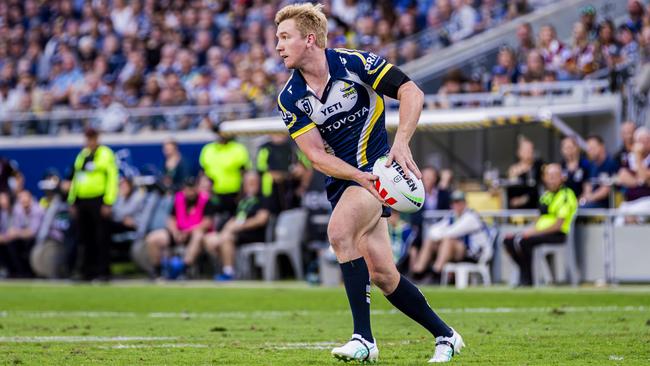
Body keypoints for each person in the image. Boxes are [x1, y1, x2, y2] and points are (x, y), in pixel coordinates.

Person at [275, 3, 463, 363]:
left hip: (379, 172)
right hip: (350, 180)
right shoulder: (289, 97)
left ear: (310, 39)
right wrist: (357, 177)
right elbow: (315, 156)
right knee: (383, 275)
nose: (278, 46)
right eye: (277, 39)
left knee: (339, 233)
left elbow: (411, 91)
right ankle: (446, 335)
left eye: (285, 37)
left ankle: (364, 340)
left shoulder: (356, 64)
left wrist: (402, 141)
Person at [503, 164, 577, 286]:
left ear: (562, 178)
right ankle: (524, 272)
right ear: (545, 178)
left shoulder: (566, 195)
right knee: (508, 240)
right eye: (549, 176)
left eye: (555, 176)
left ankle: (528, 279)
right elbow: (537, 220)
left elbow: (558, 225)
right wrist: (524, 232)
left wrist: (531, 233)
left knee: (523, 242)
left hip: (557, 234)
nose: (552, 179)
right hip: (539, 232)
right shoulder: (546, 196)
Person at [68, 128, 119, 281]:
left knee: (101, 237)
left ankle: (103, 271)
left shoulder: (105, 153)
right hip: (82, 200)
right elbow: (76, 179)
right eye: (87, 138)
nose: (89, 141)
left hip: (99, 200)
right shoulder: (82, 155)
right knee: (85, 237)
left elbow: (112, 178)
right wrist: (72, 200)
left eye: (92, 138)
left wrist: (108, 201)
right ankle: (86, 271)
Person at [203, 171, 271, 281]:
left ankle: (229, 272)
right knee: (209, 239)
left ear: (259, 183)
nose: (250, 185)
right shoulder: (242, 201)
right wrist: (227, 228)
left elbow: (261, 219)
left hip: (253, 234)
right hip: (236, 233)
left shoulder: (263, 199)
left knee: (226, 238)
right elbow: (235, 218)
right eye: (248, 182)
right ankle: (224, 268)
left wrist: (240, 226)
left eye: (253, 182)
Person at [145, 177, 216, 279]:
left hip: (194, 234)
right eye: (188, 189)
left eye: (192, 188)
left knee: (198, 235)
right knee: (152, 238)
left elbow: (207, 223)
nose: (190, 192)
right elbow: (171, 219)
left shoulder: (205, 200)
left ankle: (184, 269)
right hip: (178, 233)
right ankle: (157, 271)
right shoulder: (178, 199)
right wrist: (175, 232)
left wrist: (188, 231)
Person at [410, 190, 491, 278]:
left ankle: (437, 271)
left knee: (448, 240)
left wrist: (439, 235)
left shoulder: (471, 217)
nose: (456, 205)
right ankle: (418, 271)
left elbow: (452, 232)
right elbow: (433, 231)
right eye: (454, 203)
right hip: (459, 250)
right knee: (430, 240)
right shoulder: (452, 215)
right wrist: (437, 235)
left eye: (459, 202)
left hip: (476, 254)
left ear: (465, 203)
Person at [199, 123, 251, 217]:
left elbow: (244, 173)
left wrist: (242, 193)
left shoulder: (238, 149)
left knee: (233, 217)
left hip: (234, 193)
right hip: (213, 193)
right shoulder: (208, 149)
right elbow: (202, 173)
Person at [256, 133, 312, 214]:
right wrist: (279, 174)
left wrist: (303, 186)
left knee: (291, 214)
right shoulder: (265, 148)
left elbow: (307, 167)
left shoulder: (293, 146)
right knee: (272, 214)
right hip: (270, 190)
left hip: (291, 188)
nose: (278, 136)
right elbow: (262, 169)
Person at [4, 190, 44, 278]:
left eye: (25, 198)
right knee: (10, 244)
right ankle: (18, 272)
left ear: (30, 198)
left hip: (38, 239)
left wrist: (17, 233)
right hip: (22, 238)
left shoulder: (37, 210)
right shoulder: (17, 209)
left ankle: (31, 272)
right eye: (21, 198)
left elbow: (33, 232)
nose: (23, 200)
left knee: (30, 244)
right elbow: (15, 227)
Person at [616, 127, 650, 224]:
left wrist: (638, 156)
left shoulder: (637, 156)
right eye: (640, 140)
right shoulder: (629, 158)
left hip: (647, 200)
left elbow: (643, 177)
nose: (643, 143)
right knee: (617, 222)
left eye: (647, 140)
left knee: (632, 219)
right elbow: (622, 175)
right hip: (629, 202)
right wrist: (641, 181)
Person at [506, 137, 544, 209]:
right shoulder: (513, 169)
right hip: (514, 208)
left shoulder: (538, 166)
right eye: (525, 150)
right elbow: (508, 189)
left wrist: (523, 200)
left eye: (530, 149)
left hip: (533, 207)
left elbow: (536, 188)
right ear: (519, 152)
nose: (529, 152)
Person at [581, 135, 618, 208]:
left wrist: (590, 198)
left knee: (581, 210)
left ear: (602, 146)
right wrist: (586, 197)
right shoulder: (591, 165)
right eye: (589, 148)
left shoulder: (611, 163)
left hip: (606, 204)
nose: (590, 151)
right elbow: (588, 183)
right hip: (591, 202)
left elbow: (607, 189)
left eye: (593, 147)